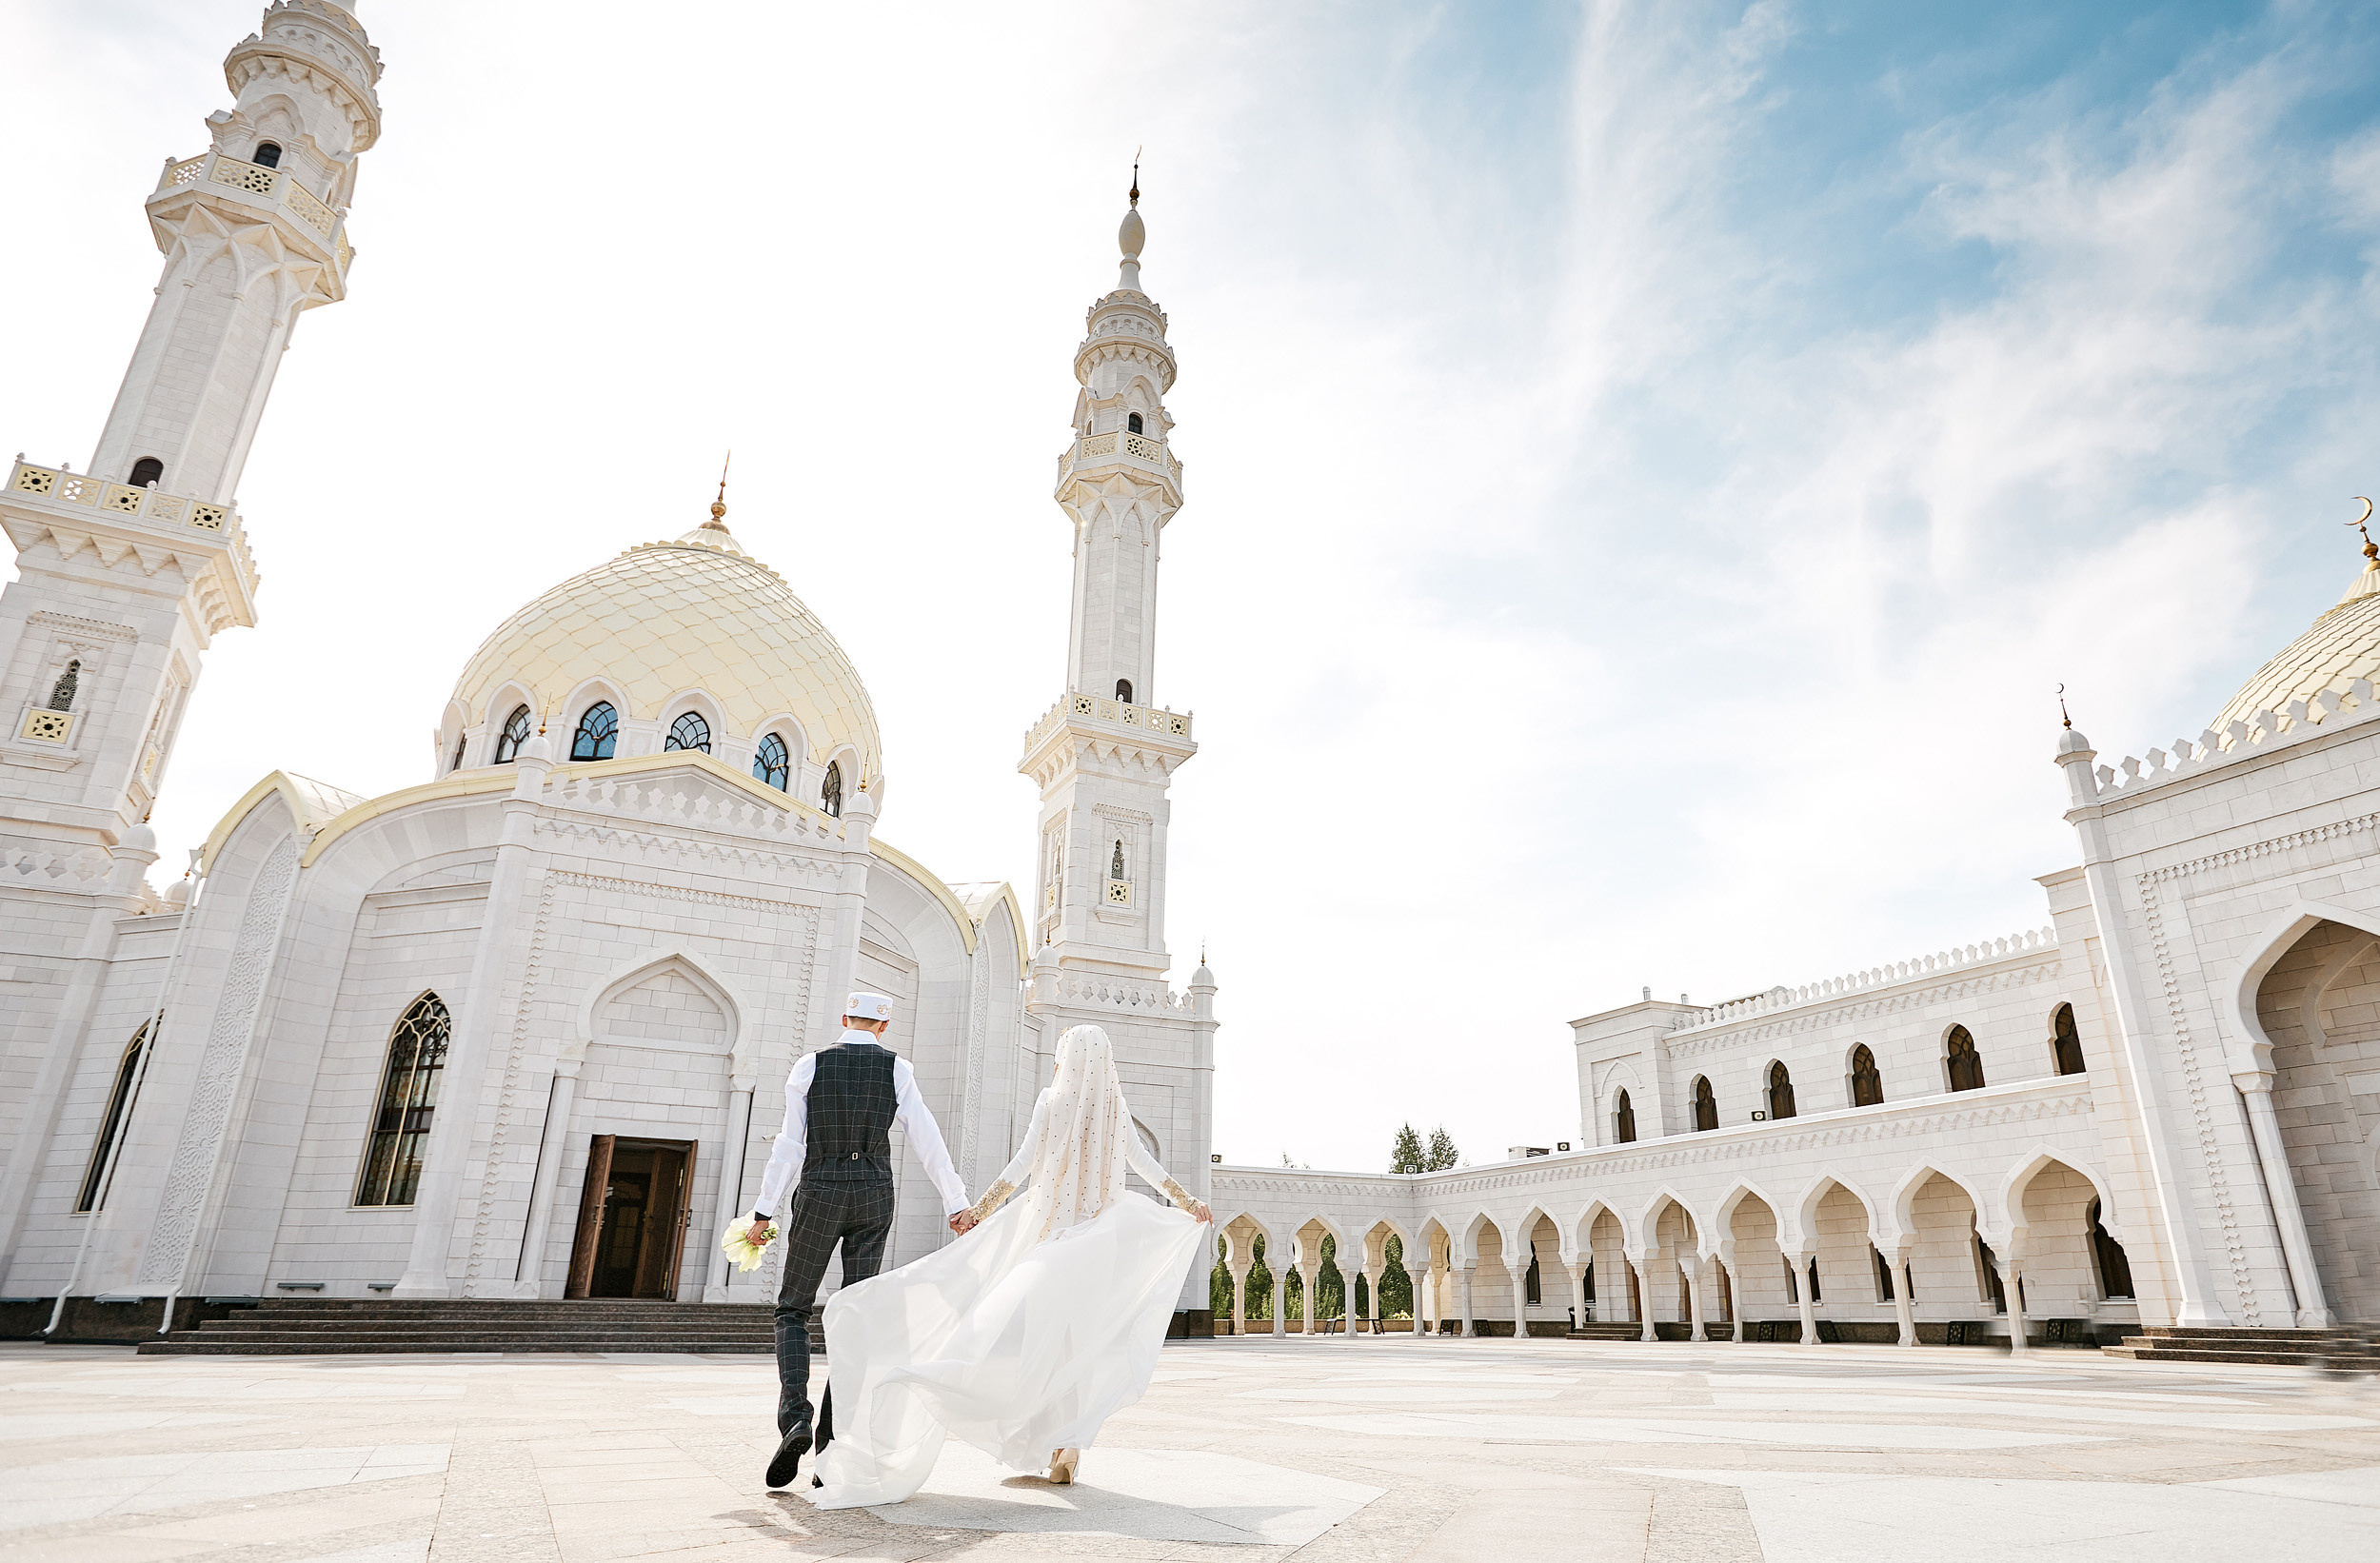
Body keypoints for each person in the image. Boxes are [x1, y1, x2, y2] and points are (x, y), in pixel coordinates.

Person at [803, 1022, 1212, 1509]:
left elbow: (1023, 1164)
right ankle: (1067, 1449)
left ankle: (1005, 1417)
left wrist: (979, 1210)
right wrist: (1188, 1202)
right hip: (1100, 1246)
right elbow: (1144, 1163)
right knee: (1076, 1346)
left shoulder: (1051, 1102)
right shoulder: (1114, 1110)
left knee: (1033, 1343)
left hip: (1051, 1244)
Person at [748, 992, 972, 1491]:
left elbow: (789, 1146)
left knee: (793, 1309)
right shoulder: (897, 1069)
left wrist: (763, 1212)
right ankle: (829, 1449)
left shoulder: (810, 1065)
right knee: (855, 1317)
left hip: (821, 1190)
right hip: (873, 1194)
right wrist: (955, 1202)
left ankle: (795, 1418)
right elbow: (927, 1137)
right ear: (884, 1026)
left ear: (845, 1018)